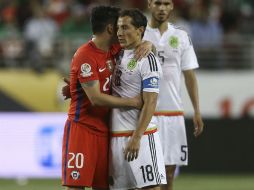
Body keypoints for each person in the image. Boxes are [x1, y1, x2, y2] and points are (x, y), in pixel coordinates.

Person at [62, 6, 152, 190]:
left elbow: (140, 39)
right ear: (111, 28)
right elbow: (96, 98)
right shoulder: (85, 55)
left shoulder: (115, 49)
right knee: (76, 185)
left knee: (104, 187)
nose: (121, 31)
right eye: (119, 26)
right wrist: (132, 102)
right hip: (83, 128)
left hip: (106, 130)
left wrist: (149, 44)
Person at [143, 1, 204, 190]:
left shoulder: (181, 36)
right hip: (146, 114)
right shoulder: (139, 33)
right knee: (148, 176)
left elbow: (189, 76)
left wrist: (196, 111)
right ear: (150, 4)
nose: (162, 8)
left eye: (166, 3)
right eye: (158, 3)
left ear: (172, 7)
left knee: (169, 173)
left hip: (173, 114)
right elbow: (127, 67)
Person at [109, 9, 166, 190]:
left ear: (140, 30)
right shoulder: (117, 54)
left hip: (141, 136)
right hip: (116, 137)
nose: (120, 33)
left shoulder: (147, 59)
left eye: (125, 28)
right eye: (118, 28)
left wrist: (137, 137)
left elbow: (150, 102)